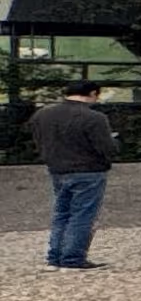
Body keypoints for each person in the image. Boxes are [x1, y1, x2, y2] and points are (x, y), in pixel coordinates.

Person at [33, 78, 115, 269]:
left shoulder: (43, 115)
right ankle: (73, 257)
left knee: (62, 212)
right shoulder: (94, 118)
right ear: (93, 93)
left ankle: (55, 256)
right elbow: (107, 148)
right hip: (89, 170)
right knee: (82, 214)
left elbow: (38, 141)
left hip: (57, 168)